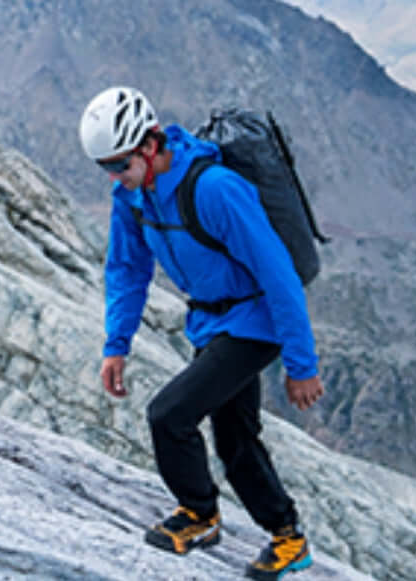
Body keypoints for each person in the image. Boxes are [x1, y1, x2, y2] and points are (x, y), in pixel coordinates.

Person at [79, 86, 324, 579]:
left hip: (255, 322)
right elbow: (127, 269)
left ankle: (199, 515)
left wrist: (301, 365)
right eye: (106, 168)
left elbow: (278, 275)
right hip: (210, 321)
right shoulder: (133, 195)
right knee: (235, 436)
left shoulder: (214, 189)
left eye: (120, 165)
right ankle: (287, 537)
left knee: (169, 415)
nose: (115, 177)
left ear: (150, 146)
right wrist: (116, 345)